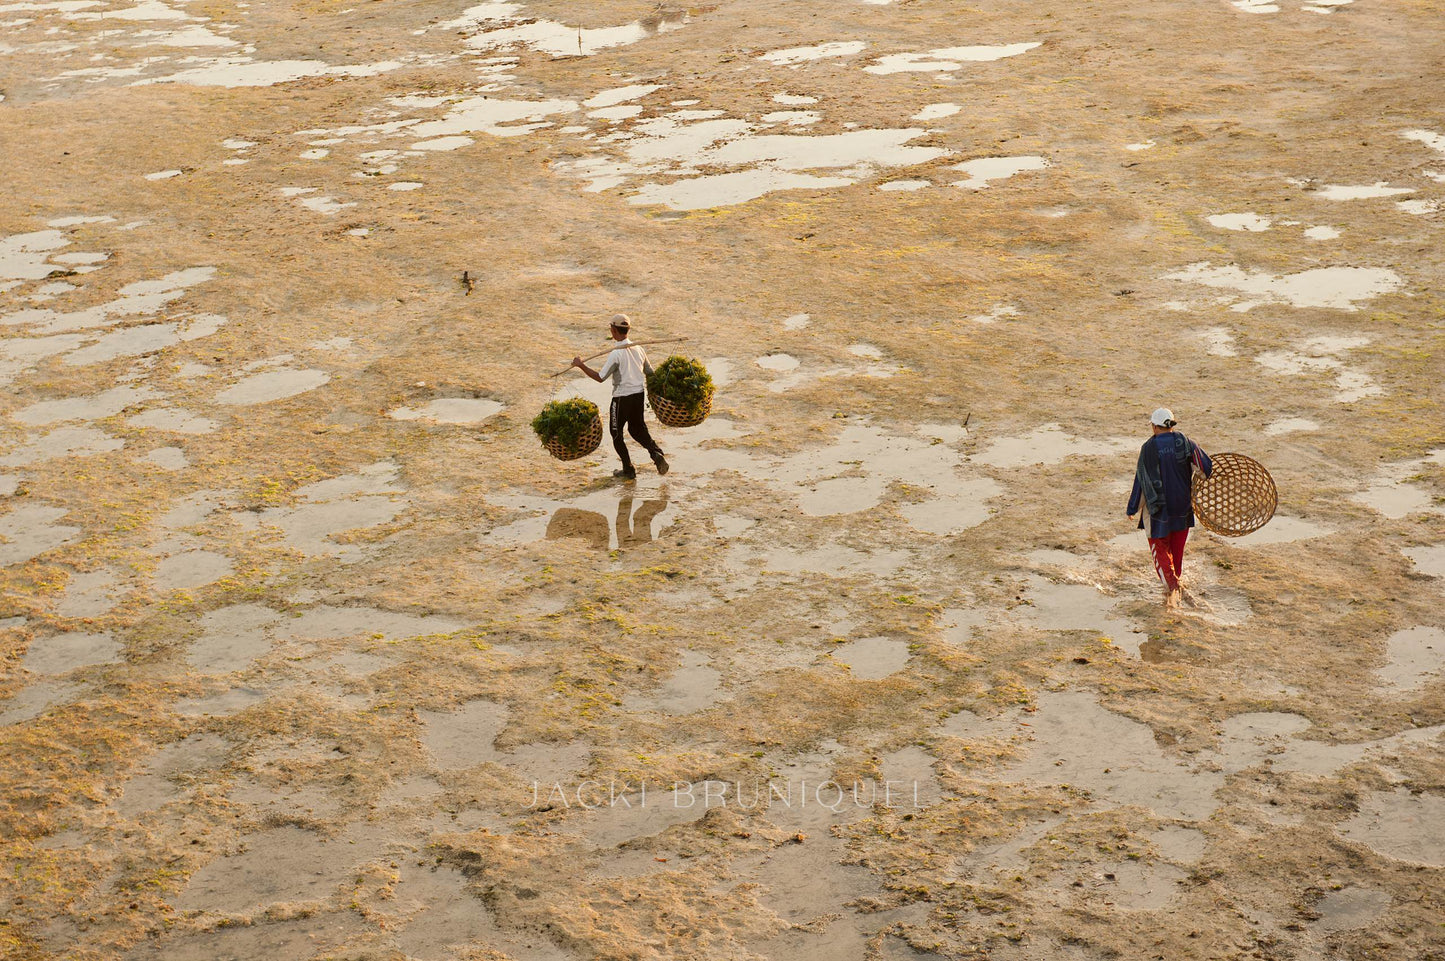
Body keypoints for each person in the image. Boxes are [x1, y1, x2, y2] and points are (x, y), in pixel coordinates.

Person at [1127, 407, 1212, 607]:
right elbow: (1205, 466)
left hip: (1159, 510)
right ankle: (1176, 586)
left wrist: (1132, 508)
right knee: (1176, 551)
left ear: (1155, 426)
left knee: (1160, 548)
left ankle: (1173, 589)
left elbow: (1142, 481)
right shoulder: (1184, 441)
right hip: (1182, 507)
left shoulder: (1148, 448)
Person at [572, 314, 669, 480]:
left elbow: (600, 377)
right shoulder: (639, 349)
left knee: (616, 434)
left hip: (621, 399)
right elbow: (650, 373)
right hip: (638, 395)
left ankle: (628, 469)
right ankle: (656, 454)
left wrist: (581, 365)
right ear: (628, 330)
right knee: (637, 429)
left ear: (613, 330)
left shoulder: (616, 354)